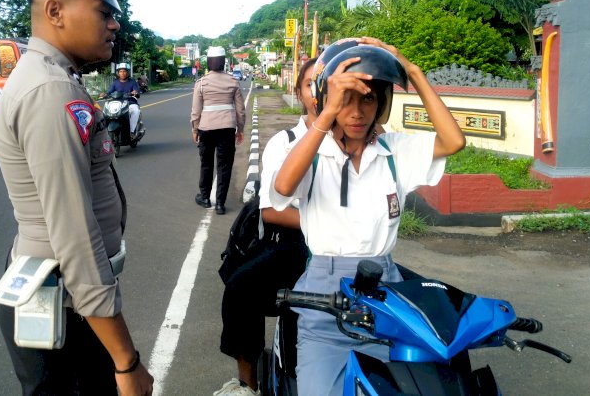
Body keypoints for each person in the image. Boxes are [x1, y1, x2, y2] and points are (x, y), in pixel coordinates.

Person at [0, 0, 154, 396]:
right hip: (64, 302)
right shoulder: (49, 90)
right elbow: (76, 240)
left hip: (67, 298)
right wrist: (126, 362)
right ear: (55, 11)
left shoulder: (57, 78)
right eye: (104, 11)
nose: (114, 22)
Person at [270, 37, 466, 396]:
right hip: (324, 294)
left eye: (368, 98)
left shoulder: (394, 152)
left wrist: (413, 72)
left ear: (381, 104)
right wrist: (326, 112)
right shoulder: (314, 153)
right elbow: (282, 188)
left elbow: (453, 141)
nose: (357, 112)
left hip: (385, 293)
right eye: (347, 100)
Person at [213, 58, 317, 396]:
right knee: (242, 287)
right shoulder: (285, 142)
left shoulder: (364, 140)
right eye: (312, 84)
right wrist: (330, 225)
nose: (322, 91)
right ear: (299, 91)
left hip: (346, 248)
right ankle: (247, 384)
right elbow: (273, 212)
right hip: (293, 243)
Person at [190, 46, 246, 215]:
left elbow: (196, 110)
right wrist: (240, 128)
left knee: (206, 164)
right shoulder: (233, 81)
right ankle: (220, 204)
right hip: (227, 129)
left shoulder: (201, 83)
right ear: (223, 62)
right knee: (224, 166)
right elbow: (240, 110)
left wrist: (195, 128)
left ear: (208, 62)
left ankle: (205, 198)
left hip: (206, 129)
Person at [106, 63, 141, 134]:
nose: (122, 73)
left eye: (124, 71)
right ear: (118, 73)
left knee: (135, 111)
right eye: (121, 71)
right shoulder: (115, 83)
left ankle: (131, 131)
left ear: (127, 72)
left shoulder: (132, 82)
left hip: (130, 103)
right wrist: (104, 94)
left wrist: (135, 92)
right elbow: (109, 92)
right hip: (117, 103)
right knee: (106, 113)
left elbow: (137, 92)